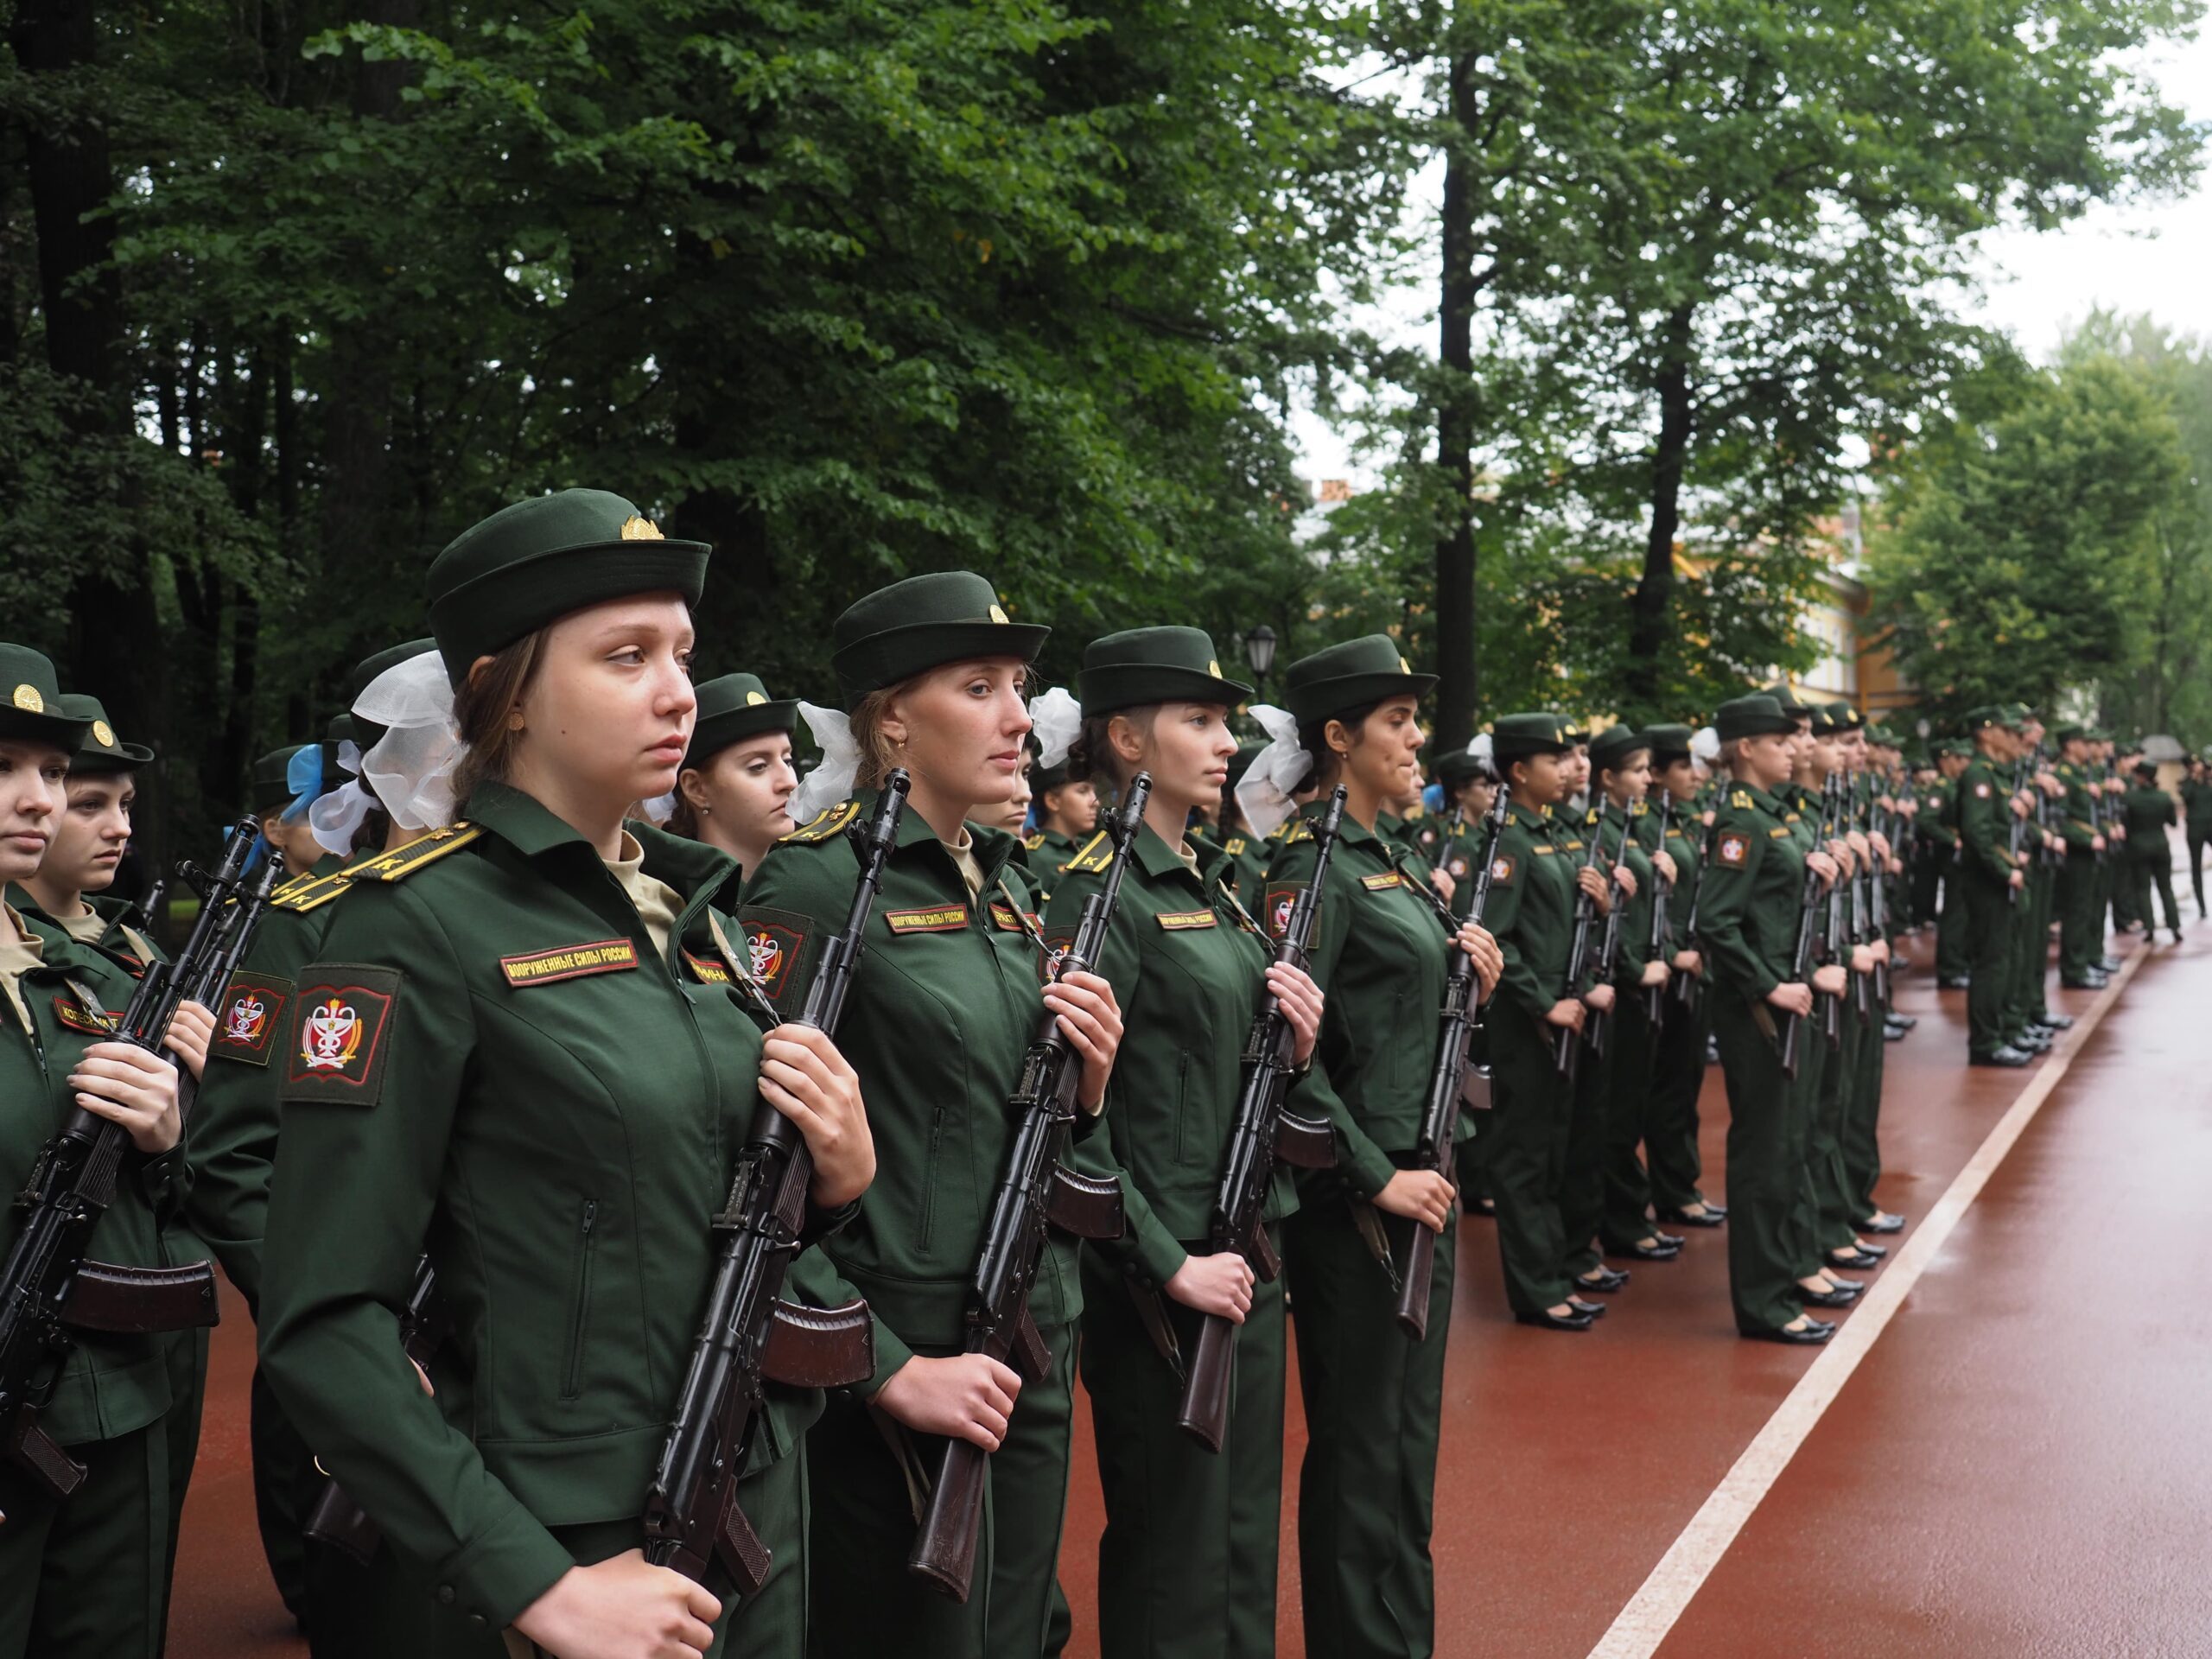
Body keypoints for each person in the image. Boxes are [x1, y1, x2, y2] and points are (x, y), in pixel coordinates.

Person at [257, 490, 875, 1659]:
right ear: (509, 695)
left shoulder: (696, 915)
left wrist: (841, 1180)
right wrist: (534, 1582)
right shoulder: (414, 926)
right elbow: (325, 1318)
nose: (677, 691)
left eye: (682, 653)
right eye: (625, 657)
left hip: (748, 1484)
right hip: (574, 1543)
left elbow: (701, 1213)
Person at [734, 571, 1124, 1659]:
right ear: (894, 718)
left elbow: (1016, 1118)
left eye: (1021, 686)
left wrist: (1088, 1087)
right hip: (901, 1363)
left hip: (1025, 1331)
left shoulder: (1004, 885)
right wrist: (887, 1365)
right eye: (980, 686)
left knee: (1019, 1633)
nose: (1019, 718)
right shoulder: (814, 889)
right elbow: (752, 1174)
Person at [1045, 626, 1326, 1659]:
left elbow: (1228, 1067)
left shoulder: (1208, 880)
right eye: (1197, 722)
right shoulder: (1099, 889)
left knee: (1242, 1532)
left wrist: (1293, 1037)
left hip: (1244, 1247)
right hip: (1161, 1269)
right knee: (1176, 1546)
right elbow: (1075, 1117)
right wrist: (1167, 1263)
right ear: (1125, 737)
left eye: (1225, 724)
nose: (1224, 745)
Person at [1257, 635, 1499, 1659]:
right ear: (1338, 736)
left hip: (1423, 1180)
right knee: (1361, 1454)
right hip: (1363, 1201)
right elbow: (1280, 1058)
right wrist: (1374, 1176)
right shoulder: (1309, 867)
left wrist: (1470, 978)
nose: (1416, 741)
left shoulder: (1393, 858)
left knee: (1405, 1451)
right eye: (1396, 722)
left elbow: (1402, 1019)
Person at [0, 644, 214, 1658]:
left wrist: (168, 1137)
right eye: (6, 769)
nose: (35, 799)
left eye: (49, 773)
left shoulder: (74, 971)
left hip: (106, 1391)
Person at [1695, 694, 1846, 1344]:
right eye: (1781, 741)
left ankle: (1783, 1279)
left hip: (1787, 997)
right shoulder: (1742, 822)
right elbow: (1716, 923)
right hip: (1758, 1009)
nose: (1795, 748)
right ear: (1747, 749)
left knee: (1787, 1148)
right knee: (1764, 1155)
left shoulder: (1774, 818)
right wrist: (1769, 986)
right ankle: (1763, 1302)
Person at [1479, 712, 1611, 1332]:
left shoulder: (1555, 833)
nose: (1567, 769)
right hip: (1526, 1024)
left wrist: (1604, 901)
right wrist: (1540, 1002)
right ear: (1518, 770)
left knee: (1558, 1146)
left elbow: (1565, 930)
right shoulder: (1508, 840)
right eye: (1553, 759)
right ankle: (1535, 1287)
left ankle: (1555, 1266)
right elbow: (1495, 939)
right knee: (1525, 1156)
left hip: (1565, 1017)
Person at [1572, 725, 1674, 1275]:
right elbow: (1602, 921)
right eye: (1636, 770)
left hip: (1641, 984)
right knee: (1611, 1117)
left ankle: (1628, 1216)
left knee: (1631, 1108)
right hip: (1620, 985)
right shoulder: (1599, 830)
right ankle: (1619, 1223)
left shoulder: (1637, 824)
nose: (1646, 778)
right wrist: (1638, 969)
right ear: (1608, 777)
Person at [1638, 724, 1725, 1230]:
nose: (1695, 775)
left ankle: (1682, 1183)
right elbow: (1649, 909)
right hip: (1669, 974)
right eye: (1682, 767)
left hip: (1698, 967)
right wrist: (1673, 952)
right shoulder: (1645, 825)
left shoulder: (1691, 819)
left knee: (1687, 1082)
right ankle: (1671, 1190)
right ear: (1658, 774)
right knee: (1668, 1087)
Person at [1956, 708, 2033, 1067]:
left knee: (2004, 959)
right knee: (1991, 962)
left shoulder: (1996, 776)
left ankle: (2002, 1030)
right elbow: (1977, 833)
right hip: (1986, 881)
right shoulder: (1978, 775)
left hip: (1998, 878)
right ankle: (1986, 1042)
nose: (2015, 737)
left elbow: (1999, 831)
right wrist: (2005, 869)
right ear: (1986, 734)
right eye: (2006, 730)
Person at [669, 672, 802, 876]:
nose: (789, 782)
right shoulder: (672, 902)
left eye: (787, 761)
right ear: (697, 789)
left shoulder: (796, 894)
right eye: (758, 766)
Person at [2051, 726, 2111, 990]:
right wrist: (2087, 839)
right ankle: (2074, 968)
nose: (2089, 747)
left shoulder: (2080, 774)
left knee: (2085, 909)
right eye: (2083, 742)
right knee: (2076, 911)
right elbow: (2059, 820)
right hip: (2076, 853)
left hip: (2088, 853)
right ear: (2070, 745)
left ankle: (2084, 961)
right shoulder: (2065, 774)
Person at [2121, 760, 2183, 943]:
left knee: (2143, 889)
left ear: (2141, 776)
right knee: (2166, 888)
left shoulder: (2130, 798)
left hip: (2139, 846)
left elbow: (2127, 825)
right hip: (2160, 845)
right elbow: (2172, 822)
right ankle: (2174, 926)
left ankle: (2149, 928)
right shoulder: (2164, 797)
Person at [2178, 753, 2210, 920]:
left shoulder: (2208, 779)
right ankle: (2202, 906)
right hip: (2195, 828)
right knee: (2196, 867)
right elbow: (2186, 795)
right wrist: (2192, 777)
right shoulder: (2186, 782)